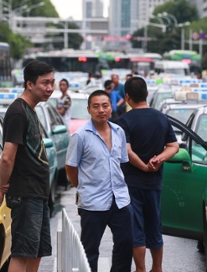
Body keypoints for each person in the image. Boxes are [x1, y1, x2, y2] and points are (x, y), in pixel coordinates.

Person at [0, 60, 55, 272]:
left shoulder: (30, 110)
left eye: (52, 82)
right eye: (45, 83)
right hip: (26, 194)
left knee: (36, 251)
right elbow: (7, 157)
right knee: (22, 252)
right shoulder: (18, 112)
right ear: (29, 84)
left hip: (38, 193)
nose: (50, 88)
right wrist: (2, 186)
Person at [65, 90, 133, 272]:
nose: (101, 110)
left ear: (111, 108)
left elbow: (123, 163)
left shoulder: (119, 132)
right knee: (90, 249)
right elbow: (70, 167)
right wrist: (82, 187)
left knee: (125, 243)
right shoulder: (80, 136)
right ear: (89, 109)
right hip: (93, 202)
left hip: (120, 199)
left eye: (105, 105)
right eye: (96, 106)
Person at [116, 76, 179, 272]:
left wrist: (143, 166)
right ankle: (157, 268)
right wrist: (158, 159)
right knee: (155, 227)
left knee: (137, 230)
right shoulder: (161, 117)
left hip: (132, 184)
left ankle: (141, 269)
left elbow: (126, 151)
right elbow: (173, 146)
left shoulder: (124, 121)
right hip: (155, 184)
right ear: (147, 94)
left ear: (127, 97)